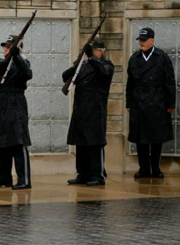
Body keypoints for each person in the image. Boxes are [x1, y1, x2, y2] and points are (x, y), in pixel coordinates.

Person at [63, 38, 114, 186]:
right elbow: (65, 77)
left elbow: (103, 73)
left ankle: (97, 175)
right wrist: (75, 67)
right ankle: (83, 174)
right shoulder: (83, 66)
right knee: (81, 144)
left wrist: (91, 58)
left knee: (95, 144)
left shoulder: (107, 65)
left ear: (100, 52)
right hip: (81, 110)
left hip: (95, 110)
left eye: (92, 52)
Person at [126, 28, 176, 178]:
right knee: (140, 139)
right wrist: (129, 103)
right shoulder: (134, 58)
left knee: (156, 138)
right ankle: (144, 169)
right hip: (139, 103)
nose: (141, 42)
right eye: (140, 40)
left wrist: (170, 104)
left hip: (157, 102)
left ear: (152, 40)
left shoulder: (162, 57)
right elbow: (130, 84)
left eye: (144, 39)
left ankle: (156, 168)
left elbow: (169, 82)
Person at [0, 35, 32, 190]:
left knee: (18, 141)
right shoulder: (1, 64)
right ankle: (4, 178)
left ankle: (24, 179)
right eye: (4, 46)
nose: (5, 49)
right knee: (2, 142)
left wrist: (16, 56)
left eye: (9, 46)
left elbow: (27, 74)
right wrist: (4, 62)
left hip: (16, 102)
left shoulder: (23, 62)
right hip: (1, 103)